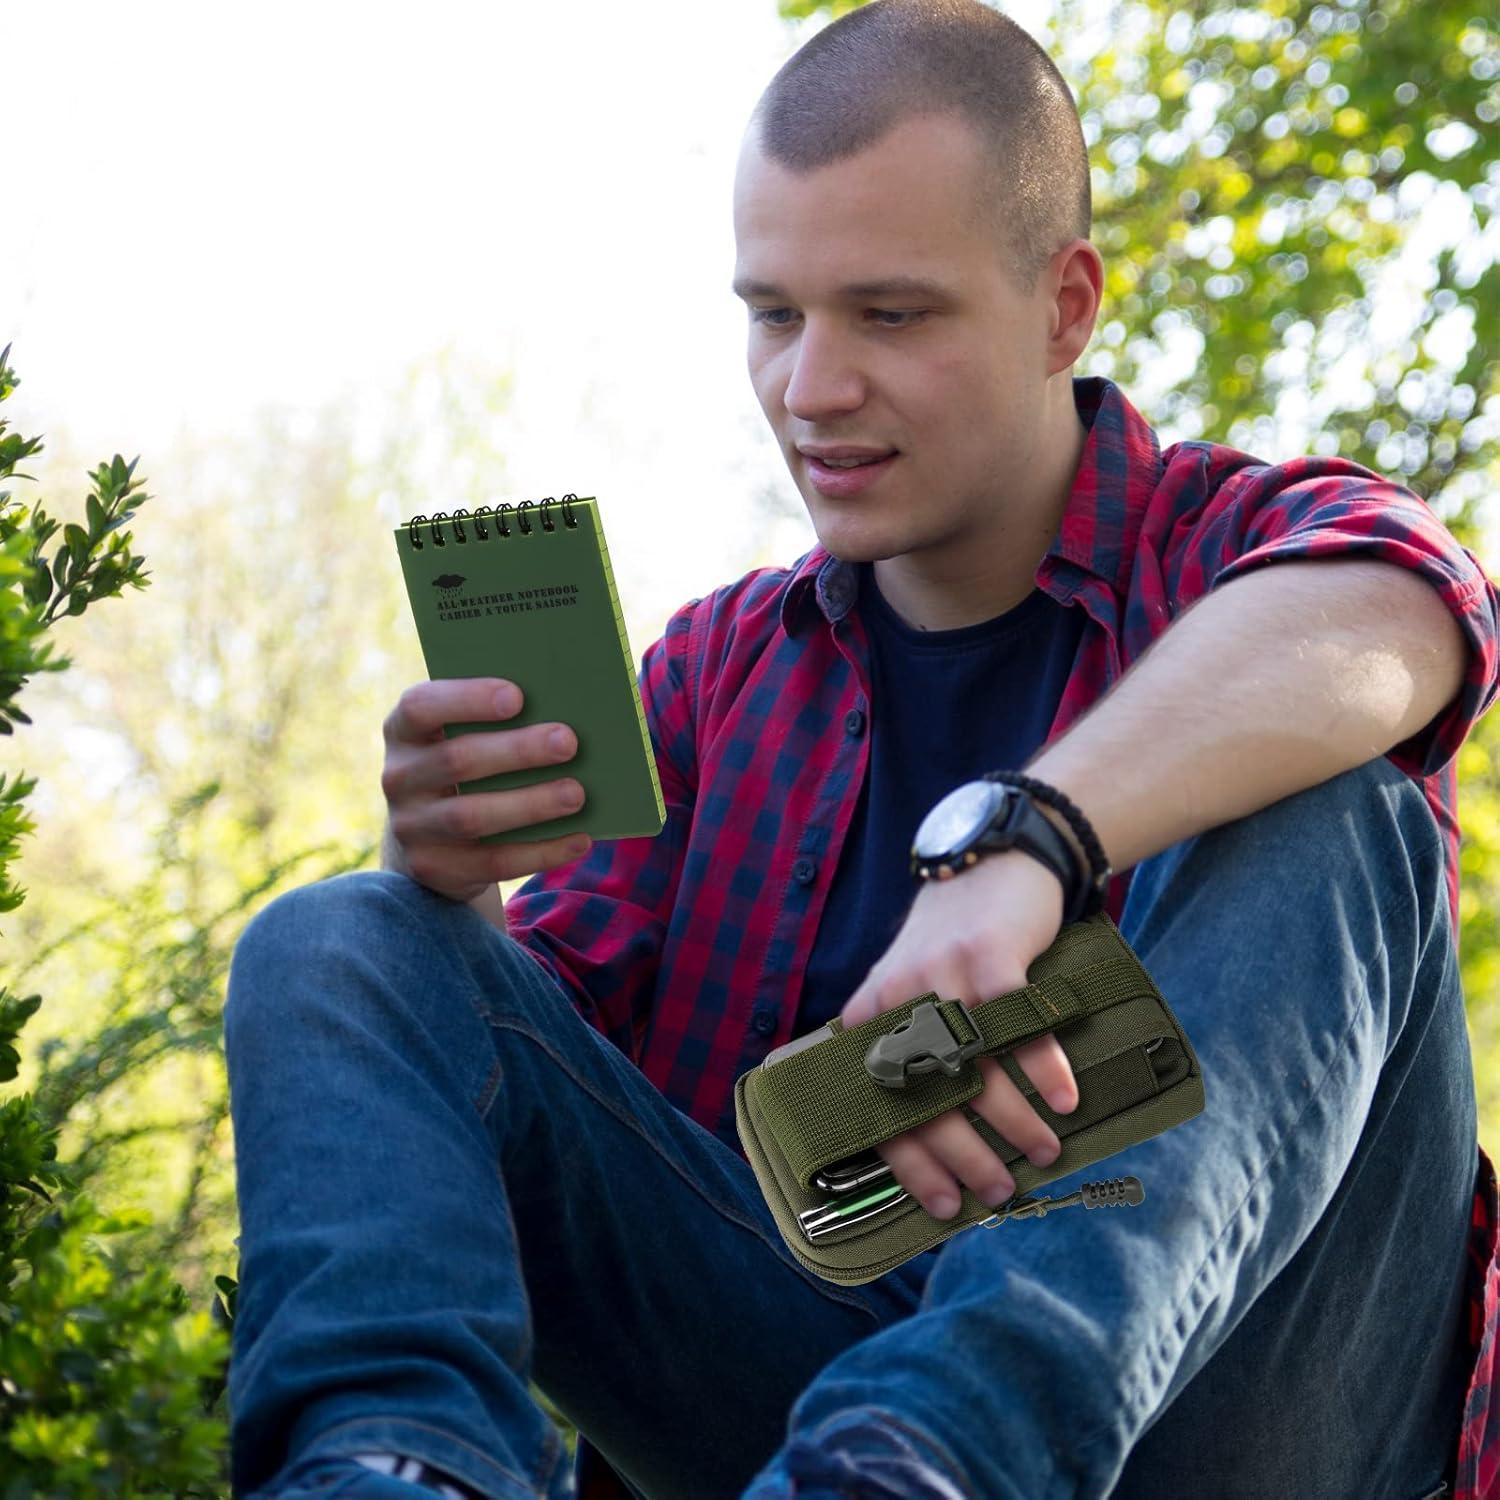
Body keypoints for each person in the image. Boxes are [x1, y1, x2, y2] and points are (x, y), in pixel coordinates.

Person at [221, 1, 1500, 1496]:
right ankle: (394, 1472)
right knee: (343, 937)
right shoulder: (710, 677)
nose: (808, 389)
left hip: (1249, 1410)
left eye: (889, 315)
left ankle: (934, 1455)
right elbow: (530, 1092)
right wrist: (448, 906)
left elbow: (1407, 609)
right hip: (798, 1403)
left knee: (1332, 801)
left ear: (1064, 305)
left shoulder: (1237, 556)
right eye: (774, 313)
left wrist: (1027, 843)